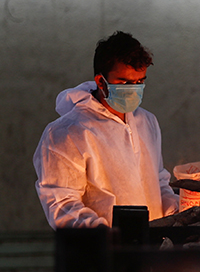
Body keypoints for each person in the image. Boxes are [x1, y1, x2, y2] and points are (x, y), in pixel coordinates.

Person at [33, 31, 178, 228]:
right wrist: (102, 234)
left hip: (151, 246)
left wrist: (178, 212)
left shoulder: (147, 121)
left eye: (139, 82)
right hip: (101, 252)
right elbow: (61, 203)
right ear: (101, 81)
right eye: (124, 83)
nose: (133, 89)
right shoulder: (68, 132)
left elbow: (159, 182)